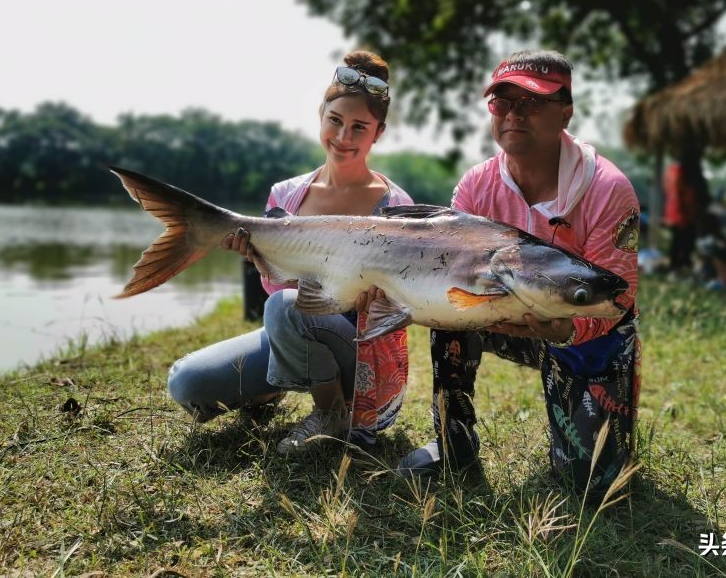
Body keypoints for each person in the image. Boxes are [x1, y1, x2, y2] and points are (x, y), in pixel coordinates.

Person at [397, 50, 641, 495]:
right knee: (450, 312)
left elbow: (616, 302)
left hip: (585, 334)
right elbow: (444, 268)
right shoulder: (476, 186)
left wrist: (565, 327)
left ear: (566, 111)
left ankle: (594, 442)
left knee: (595, 486)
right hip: (495, 314)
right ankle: (454, 440)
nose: (514, 113)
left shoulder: (608, 190)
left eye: (531, 103)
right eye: (502, 102)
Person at [167, 51, 413, 453]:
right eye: (335, 121)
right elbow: (274, 286)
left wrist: (376, 298)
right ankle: (273, 389)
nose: (343, 137)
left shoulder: (395, 206)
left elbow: (400, 300)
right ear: (321, 116)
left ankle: (332, 411)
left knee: (284, 307)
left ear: (378, 133)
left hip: (363, 354)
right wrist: (255, 254)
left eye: (359, 127)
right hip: (295, 329)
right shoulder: (286, 195)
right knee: (187, 383)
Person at [663, 147, 709, 275]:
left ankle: (680, 265)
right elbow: (677, 194)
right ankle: (678, 266)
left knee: (682, 241)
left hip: (684, 213)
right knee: (681, 241)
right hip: (682, 214)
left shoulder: (676, 171)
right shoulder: (680, 172)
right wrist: (682, 214)